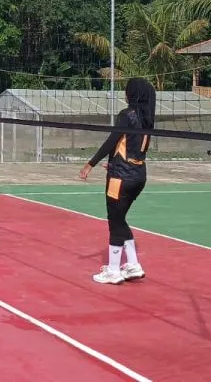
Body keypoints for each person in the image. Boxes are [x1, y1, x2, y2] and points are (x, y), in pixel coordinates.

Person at [78, 78, 154, 285]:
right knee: (120, 219)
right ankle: (133, 265)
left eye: (127, 90)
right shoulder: (147, 117)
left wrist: (90, 164)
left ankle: (113, 270)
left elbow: (112, 140)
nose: (125, 94)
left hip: (121, 177)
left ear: (133, 94)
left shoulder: (127, 115)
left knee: (115, 221)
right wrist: (114, 162)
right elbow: (130, 146)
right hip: (138, 175)